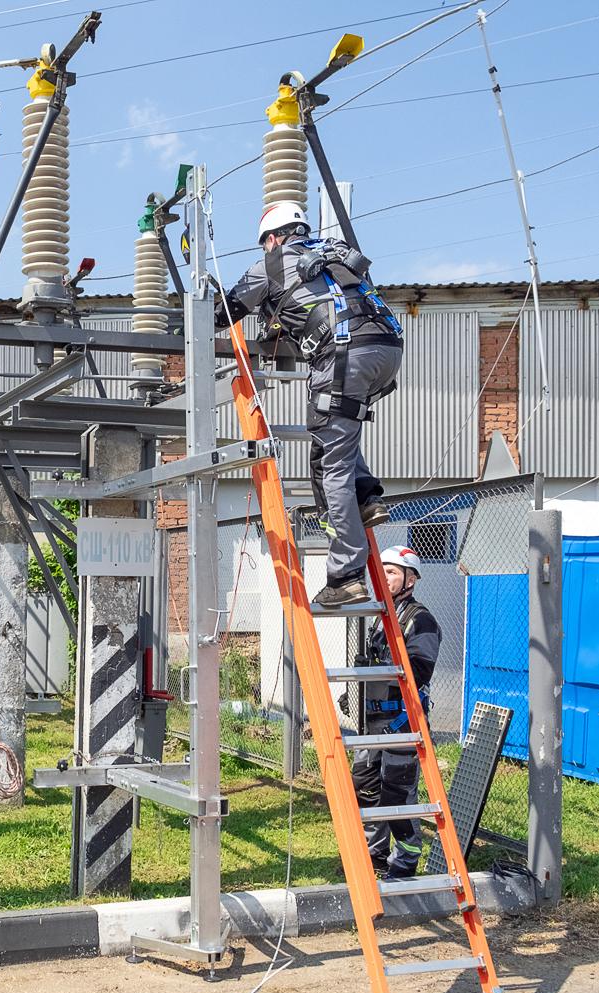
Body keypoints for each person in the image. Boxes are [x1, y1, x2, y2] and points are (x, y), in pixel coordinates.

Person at [214, 201, 404, 609]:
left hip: (344, 355)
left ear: (273, 237)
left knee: (327, 463)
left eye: (266, 242)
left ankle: (346, 575)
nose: (266, 249)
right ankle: (367, 498)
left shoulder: (272, 263)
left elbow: (224, 312)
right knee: (342, 434)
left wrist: (195, 309)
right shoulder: (332, 252)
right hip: (387, 350)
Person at [350, 546, 441, 879]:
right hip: (374, 720)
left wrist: (380, 670)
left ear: (411, 578)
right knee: (364, 783)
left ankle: (405, 863)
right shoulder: (381, 615)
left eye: (392, 572)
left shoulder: (420, 619)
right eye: (382, 570)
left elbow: (418, 673)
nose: (384, 577)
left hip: (404, 721)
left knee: (397, 793)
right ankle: (375, 854)